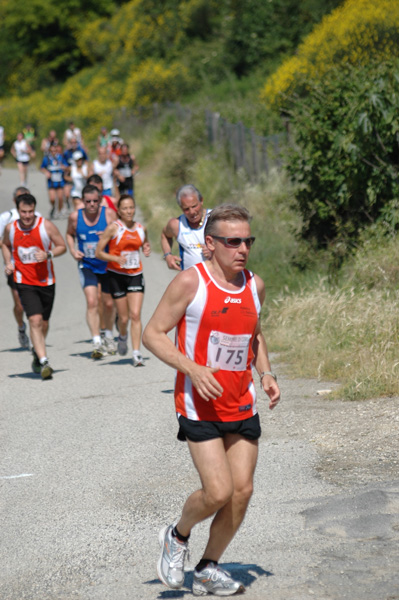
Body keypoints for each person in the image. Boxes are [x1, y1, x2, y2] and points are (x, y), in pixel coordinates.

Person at [142, 203, 281, 596]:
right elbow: (152, 334)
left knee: (242, 491)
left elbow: (253, 334)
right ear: (210, 244)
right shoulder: (191, 282)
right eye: (232, 241)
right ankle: (177, 535)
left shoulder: (255, 286)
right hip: (198, 402)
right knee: (217, 491)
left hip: (240, 401)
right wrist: (192, 368)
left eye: (247, 241)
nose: (242, 249)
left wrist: (265, 373)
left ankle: (207, 568)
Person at [2, 193, 66, 379]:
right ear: (18, 211)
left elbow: (62, 246)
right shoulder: (11, 228)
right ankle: (45, 361)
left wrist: (48, 255)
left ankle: (37, 353)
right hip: (23, 281)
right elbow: (4, 245)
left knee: (44, 323)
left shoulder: (45, 226)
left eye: (30, 212)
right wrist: (8, 262)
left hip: (46, 281)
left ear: (35, 210)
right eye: (23, 212)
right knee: (35, 320)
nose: (27, 216)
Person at [95, 194, 151, 367]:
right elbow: (99, 252)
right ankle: (123, 336)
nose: (128, 211)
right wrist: (114, 258)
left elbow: (144, 243)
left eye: (131, 208)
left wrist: (146, 248)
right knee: (124, 318)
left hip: (135, 275)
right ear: (119, 211)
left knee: (135, 314)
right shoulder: (114, 228)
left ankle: (136, 353)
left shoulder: (141, 228)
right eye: (125, 208)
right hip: (116, 276)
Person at [66, 184, 116, 359]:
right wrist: (73, 251)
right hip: (87, 265)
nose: (92, 204)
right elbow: (69, 234)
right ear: (83, 201)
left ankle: (108, 335)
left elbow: (121, 234)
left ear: (100, 200)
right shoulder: (75, 217)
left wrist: (109, 235)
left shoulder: (109, 215)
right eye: (88, 201)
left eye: (95, 201)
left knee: (108, 304)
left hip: (107, 266)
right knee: (92, 301)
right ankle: (96, 341)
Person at [0, 186, 40, 349]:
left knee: (35, 306)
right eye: (20, 198)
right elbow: (2, 242)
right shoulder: (6, 217)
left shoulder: (37, 217)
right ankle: (21, 328)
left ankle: (34, 335)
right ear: (14, 201)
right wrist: (9, 261)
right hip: (15, 268)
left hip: (34, 268)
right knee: (20, 304)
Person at [161, 184, 212, 271]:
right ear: (181, 208)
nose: (192, 212)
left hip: (215, 279)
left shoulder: (215, 219)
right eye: (186, 209)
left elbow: (232, 244)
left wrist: (215, 251)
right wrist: (168, 255)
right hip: (189, 281)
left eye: (194, 206)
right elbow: (164, 235)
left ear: (201, 201)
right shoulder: (176, 224)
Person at [40, 144, 68, 219]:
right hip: (51, 182)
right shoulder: (47, 159)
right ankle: (53, 208)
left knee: (60, 198)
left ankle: (59, 211)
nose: (53, 152)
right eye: (52, 151)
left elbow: (66, 167)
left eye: (55, 151)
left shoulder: (61, 158)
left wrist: (64, 168)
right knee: (52, 199)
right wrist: (46, 172)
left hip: (60, 181)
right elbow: (42, 168)